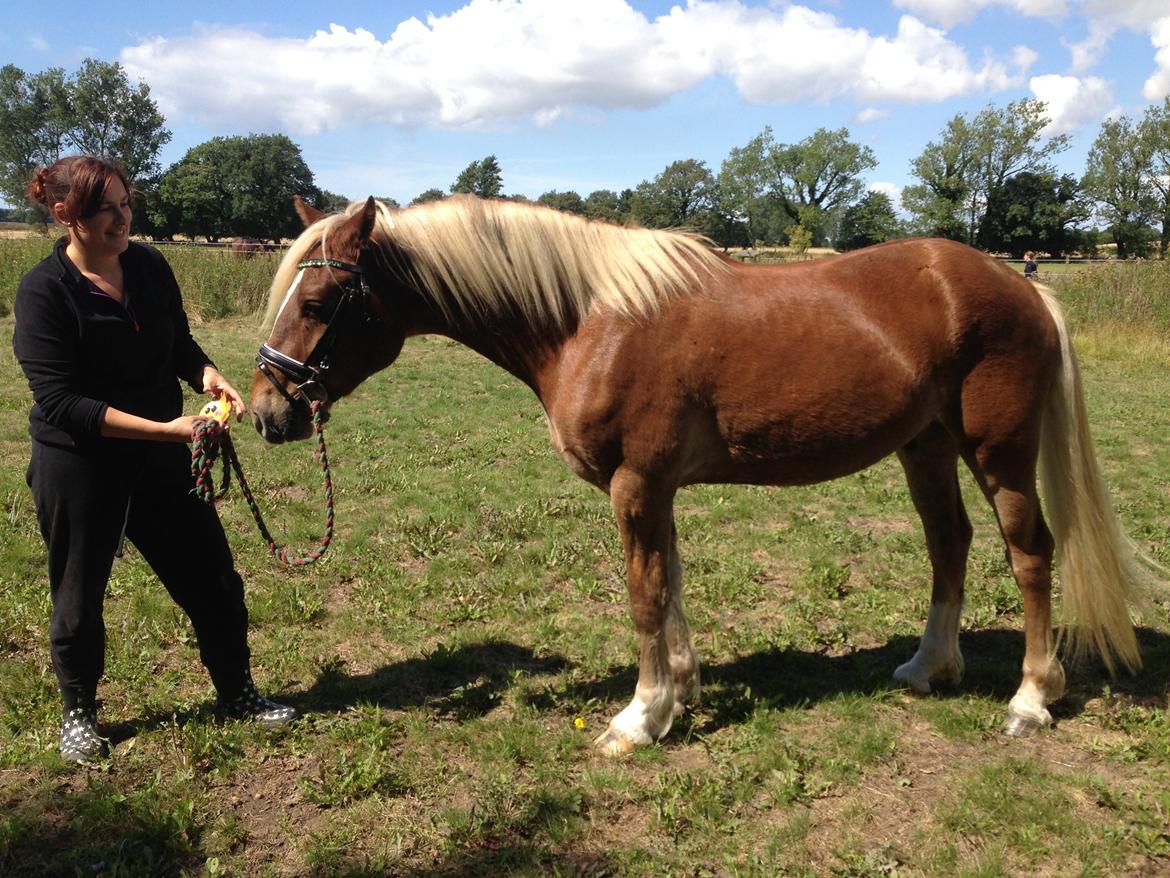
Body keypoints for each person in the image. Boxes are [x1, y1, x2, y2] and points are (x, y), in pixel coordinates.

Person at [13, 155, 297, 763]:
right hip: (80, 463)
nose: (122, 219)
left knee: (214, 579)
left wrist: (207, 375)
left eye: (125, 204)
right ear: (64, 215)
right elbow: (62, 402)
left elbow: (180, 344)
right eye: (105, 209)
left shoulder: (148, 266)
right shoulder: (44, 292)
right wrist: (165, 430)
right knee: (78, 595)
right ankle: (80, 714)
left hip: (164, 457)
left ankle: (237, 691)